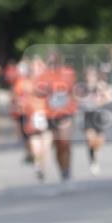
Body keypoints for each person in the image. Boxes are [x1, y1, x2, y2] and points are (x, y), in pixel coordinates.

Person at [42, 51, 78, 181]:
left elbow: (74, 91)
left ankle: (67, 168)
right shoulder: (44, 76)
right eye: (50, 62)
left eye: (54, 62)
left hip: (66, 113)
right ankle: (62, 169)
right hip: (50, 114)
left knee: (65, 142)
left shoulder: (68, 73)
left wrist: (74, 107)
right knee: (57, 145)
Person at [79, 66, 112, 174]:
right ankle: (93, 162)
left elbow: (110, 98)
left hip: (99, 116)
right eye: (88, 75)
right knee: (90, 140)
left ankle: (95, 155)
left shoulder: (101, 86)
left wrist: (100, 100)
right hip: (88, 116)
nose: (90, 77)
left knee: (98, 142)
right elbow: (76, 99)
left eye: (92, 75)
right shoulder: (82, 88)